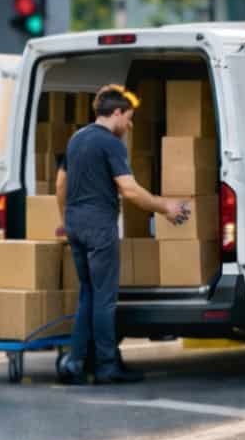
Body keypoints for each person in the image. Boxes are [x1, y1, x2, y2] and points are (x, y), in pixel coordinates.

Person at [56, 84, 189, 385]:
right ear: (116, 113)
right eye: (128, 118)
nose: (129, 125)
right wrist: (164, 206)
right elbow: (129, 190)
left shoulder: (76, 139)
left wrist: (65, 220)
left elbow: (60, 185)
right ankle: (105, 366)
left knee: (87, 296)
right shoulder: (111, 143)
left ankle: (75, 363)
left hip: (76, 225)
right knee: (104, 299)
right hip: (99, 227)